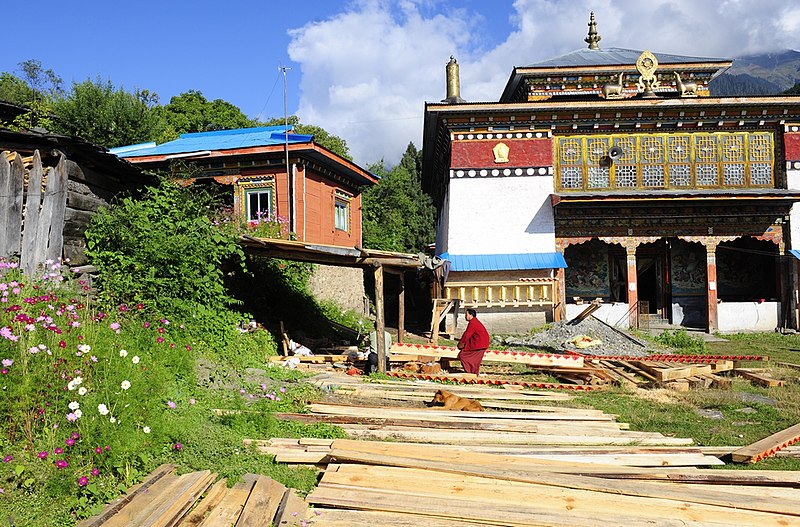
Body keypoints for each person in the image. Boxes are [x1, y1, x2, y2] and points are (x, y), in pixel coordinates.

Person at [456, 308, 490, 375]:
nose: (465, 316)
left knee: (463, 355)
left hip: (479, 344)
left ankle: (470, 372)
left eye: (466, 314)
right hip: (481, 343)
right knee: (473, 359)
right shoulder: (474, 322)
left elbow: (467, 334)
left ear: (470, 315)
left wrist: (461, 343)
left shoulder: (473, 323)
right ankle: (472, 372)